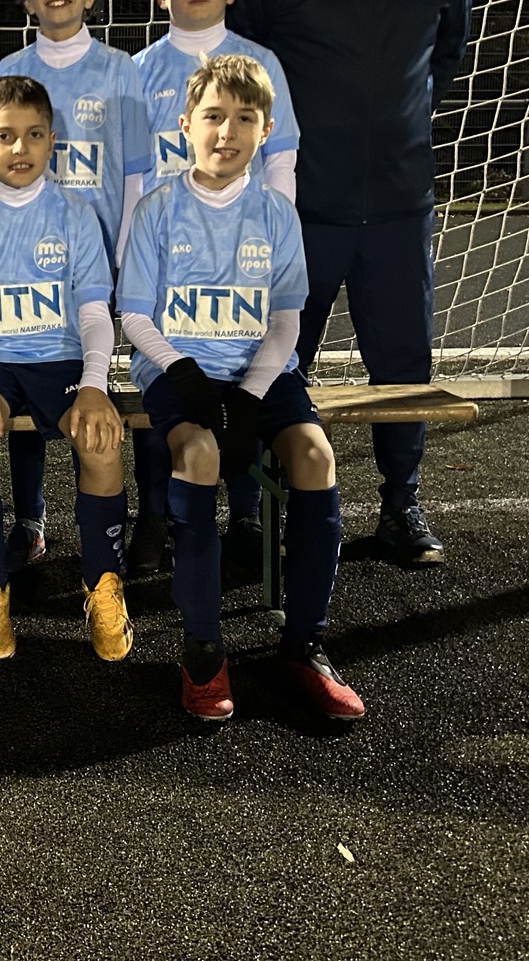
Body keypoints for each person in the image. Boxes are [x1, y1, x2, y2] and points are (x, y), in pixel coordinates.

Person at [227, 0, 472, 566]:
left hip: (399, 204)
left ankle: (400, 507)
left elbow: (447, 53)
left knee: (403, 366)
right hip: (299, 210)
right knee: (274, 365)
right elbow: (244, 68)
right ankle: (264, 513)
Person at [118, 55, 362, 722]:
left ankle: (303, 644)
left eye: (244, 119)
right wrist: (182, 372)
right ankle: (203, 652)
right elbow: (134, 314)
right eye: (213, 117)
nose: (227, 132)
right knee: (196, 456)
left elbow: (286, 321)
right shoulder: (158, 209)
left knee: (313, 456)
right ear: (185, 125)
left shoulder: (275, 215)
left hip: (262, 372)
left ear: (265, 129)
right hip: (181, 373)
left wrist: (251, 395)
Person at [0, 75, 131, 662]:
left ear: (52, 141)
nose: (20, 149)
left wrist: (95, 385)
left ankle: (103, 585)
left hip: (60, 359)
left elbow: (96, 314)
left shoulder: (75, 213)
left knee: (100, 439)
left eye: (34, 135)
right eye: (5, 136)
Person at [131, 0, 305, 574]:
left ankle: (249, 515)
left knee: (246, 376)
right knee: (169, 383)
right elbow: (132, 177)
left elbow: (281, 163)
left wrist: (273, 239)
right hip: (170, 254)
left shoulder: (262, 65)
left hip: (247, 261)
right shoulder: (139, 71)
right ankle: (153, 517)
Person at [0, 0, 151, 567]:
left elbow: (135, 172)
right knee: (29, 378)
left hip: (99, 260)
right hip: (28, 262)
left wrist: (128, 250)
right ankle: (30, 520)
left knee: (105, 389)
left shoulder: (121, 68)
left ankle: (121, 517)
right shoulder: (9, 69)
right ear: (27, 0)